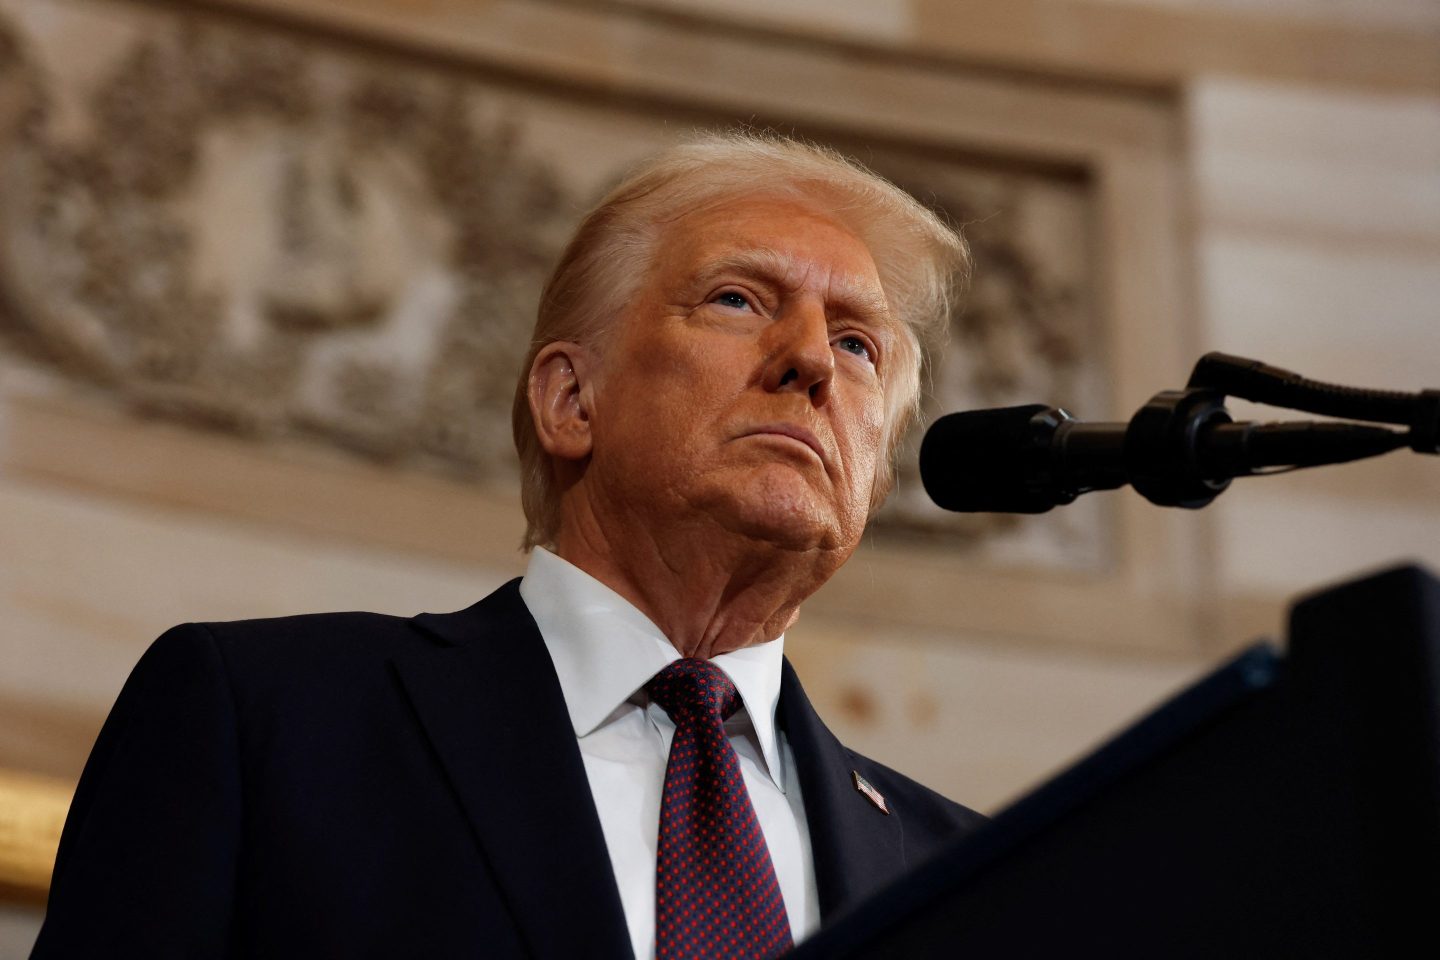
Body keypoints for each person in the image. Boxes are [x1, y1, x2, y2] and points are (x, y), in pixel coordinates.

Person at [32, 132, 985, 959]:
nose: (812, 359)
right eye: (738, 299)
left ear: (875, 473)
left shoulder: (966, 873)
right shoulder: (268, 722)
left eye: (858, 345)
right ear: (570, 400)